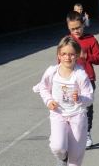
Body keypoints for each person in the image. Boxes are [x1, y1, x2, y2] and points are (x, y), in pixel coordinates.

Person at [33, 36, 94, 166]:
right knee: (58, 147)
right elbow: (43, 87)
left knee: (76, 153)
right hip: (58, 114)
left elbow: (90, 97)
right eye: (64, 54)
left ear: (77, 55)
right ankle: (62, 157)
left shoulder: (80, 75)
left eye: (71, 54)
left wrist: (79, 99)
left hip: (77, 115)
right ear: (59, 55)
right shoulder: (52, 72)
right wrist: (49, 101)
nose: (68, 57)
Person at [67, 11, 99, 147]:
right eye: (73, 29)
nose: (76, 31)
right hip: (70, 80)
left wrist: (86, 56)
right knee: (71, 107)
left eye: (78, 27)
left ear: (83, 24)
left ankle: (86, 133)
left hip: (88, 79)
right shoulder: (67, 41)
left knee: (86, 107)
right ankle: (72, 134)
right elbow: (60, 60)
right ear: (68, 27)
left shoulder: (91, 40)